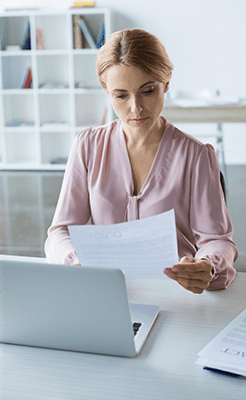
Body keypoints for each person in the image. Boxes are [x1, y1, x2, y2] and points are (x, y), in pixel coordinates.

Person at [44, 29, 238, 294]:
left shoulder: (196, 155)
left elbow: (218, 241)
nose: (135, 108)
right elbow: (60, 232)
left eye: (147, 91)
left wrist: (207, 264)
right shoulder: (87, 146)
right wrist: (74, 260)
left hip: (176, 295)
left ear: (166, 83)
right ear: (106, 89)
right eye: (121, 95)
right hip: (105, 294)